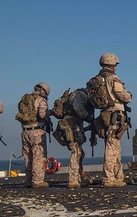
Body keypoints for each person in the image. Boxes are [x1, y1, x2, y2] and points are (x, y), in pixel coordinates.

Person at [89, 53, 132, 188]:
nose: (116, 68)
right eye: (115, 65)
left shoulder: (97, 79)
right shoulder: (113, 78)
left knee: (114, 145)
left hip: (105, 114)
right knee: (112, 146)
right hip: (115, 113)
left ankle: (118, 177)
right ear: (111, 64)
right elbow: (122, 95)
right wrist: (129, 95)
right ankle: (109, 178)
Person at [56, 88, 93, 189]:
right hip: (71, 125)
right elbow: (78, 109)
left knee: (79, 152)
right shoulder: (80, 95)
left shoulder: (72, 95)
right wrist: (88, 117)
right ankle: (73, 180)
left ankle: (78, 178)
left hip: (69, 124)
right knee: (76, 152)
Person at [17, 83, 51, 188]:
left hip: (25, 131)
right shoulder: (40, 100)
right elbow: (42, 115)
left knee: (28, 157)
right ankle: (37, 181)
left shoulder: (25, 99)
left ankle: (29, 180)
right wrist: (50, 113)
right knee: (38, 156)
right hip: (37, 130)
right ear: (43, 91)